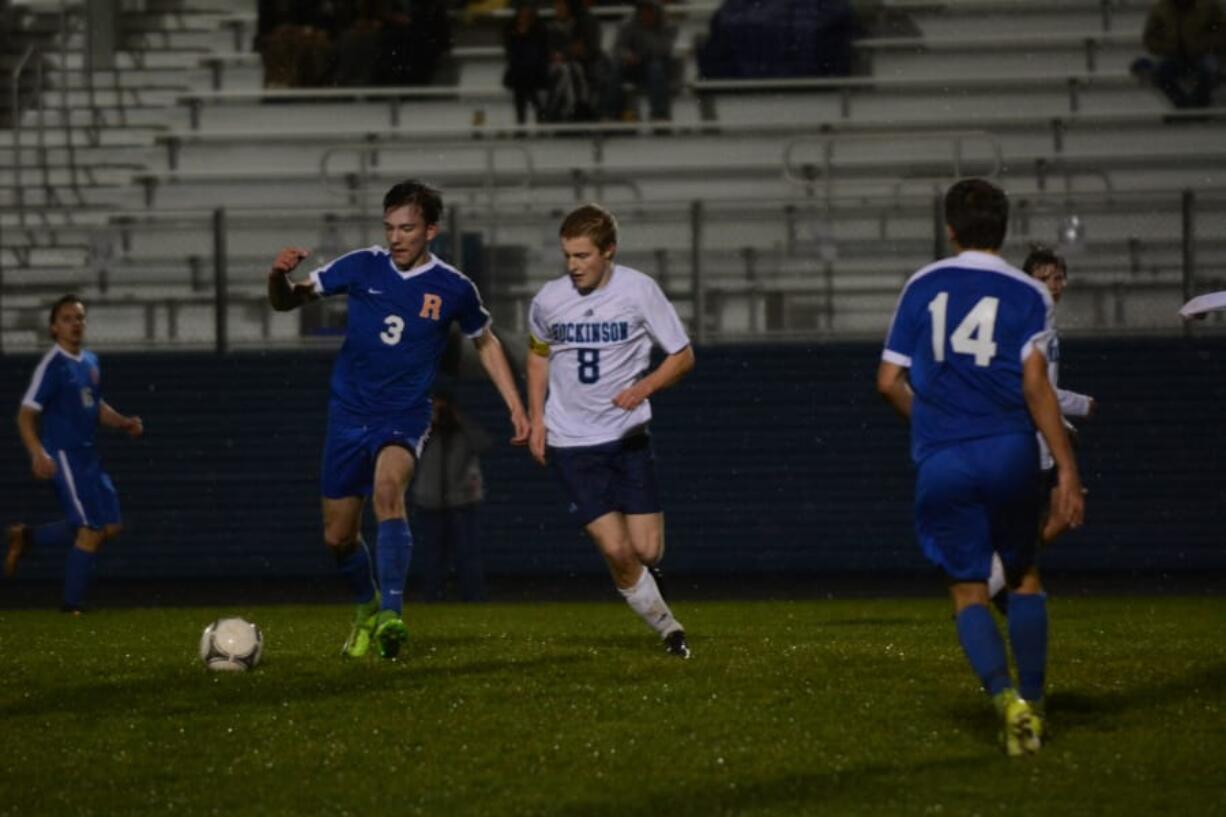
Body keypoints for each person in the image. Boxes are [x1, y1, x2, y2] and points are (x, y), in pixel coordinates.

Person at [266, 179, 529, 660]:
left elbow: (485, 339)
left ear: (431, 230)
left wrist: (514, 402)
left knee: (389, 492)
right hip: (348, 413)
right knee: (338, 537)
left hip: (404, 415)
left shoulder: (453, 287)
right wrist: (277, 277)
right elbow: (287, 301)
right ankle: (366, 608)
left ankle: (392, 615)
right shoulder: (361, 266)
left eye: (406, 228)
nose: (396, 238)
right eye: (389, 228)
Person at [876, 179, 1086, 756]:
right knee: (1023, 576)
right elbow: (1037, 387)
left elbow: (888, 382)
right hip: (1009, 450)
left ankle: (1006, 702)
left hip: (945, 455)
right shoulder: (1028, 294)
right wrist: (1066, 469)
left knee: (968, 590)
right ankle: (1038, 704)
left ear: (949, 228)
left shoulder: (923, 285)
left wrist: (933, 421)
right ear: (1005, 228)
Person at [526, 203, 695, 659]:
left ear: (609, 252)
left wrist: (644, 388)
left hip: (628, 440)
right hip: (571, 444)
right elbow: (539, 354)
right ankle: (670, 630)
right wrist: (536, 417)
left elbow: (682, 356)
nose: (573, 266)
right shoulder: (548, 300)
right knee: (618, 551)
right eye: (568, 256)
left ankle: (643, 582)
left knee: (648, 550)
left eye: (582, 256)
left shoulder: (640, 291)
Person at [5, 294, 144, 612]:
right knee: (91, 530)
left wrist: (124, 423)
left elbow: (95, 407)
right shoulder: (53, 366)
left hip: (88, 456)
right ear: (54, 328)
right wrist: (37, 452)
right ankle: (71, 607)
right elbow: (26, 414)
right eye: (67, 319)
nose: (75, 324)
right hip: (64, 456)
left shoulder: (91, 362)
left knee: (110, 526)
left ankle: (28, 537)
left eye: (79, 317)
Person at [988, 246, 1096, 606]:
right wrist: (1080, 405)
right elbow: (1037, 388)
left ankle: (1002, 576)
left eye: (1059, 277)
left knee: (1062, 514)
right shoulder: (1029, 321)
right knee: (1057, 513)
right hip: (1028, 437)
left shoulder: (1039, 319)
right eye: (1045, 278)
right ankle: (998, 578)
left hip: (1037, 432)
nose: (1055, 285)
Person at [411, 386, 491, 602]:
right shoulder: (424, 433)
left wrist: (458, 420)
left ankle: (473, 599)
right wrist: (429, 422)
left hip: (463, 501)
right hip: (430, 502)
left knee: (468, 556)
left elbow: (483, 444)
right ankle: (433, 598)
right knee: (432, 558)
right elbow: (410, 448)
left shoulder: (463, 432)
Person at [1135, 0, 1226, 109]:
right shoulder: (1161, 9)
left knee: (1208, 71)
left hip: (1203, 54)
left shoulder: (1209, 6)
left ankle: (1200, 103)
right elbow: (1150, 38)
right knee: (1160, 73)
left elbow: (1221, 30)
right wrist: (1166, 47)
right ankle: (1182, 104)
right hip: (1174, 56)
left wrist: (1206, 45)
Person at [607, 0, 678, 122]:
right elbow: (618, 48)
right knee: (615, 70)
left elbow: (664, 50)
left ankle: (659, 115)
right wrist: (627, 55)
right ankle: (609, 115)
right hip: (634, 66)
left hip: (660, 66)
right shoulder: (627, 24)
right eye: (642, 9)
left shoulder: (668, 26)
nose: (645, 14)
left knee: (656, 68)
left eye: (649, 10)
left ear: (656, 10)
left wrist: (642, 54)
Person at [502, 0, 552, 125]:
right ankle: (534, 114)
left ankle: (525, 119)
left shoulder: (540, 28)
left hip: (537, 69)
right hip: (519, 69)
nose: (524, 12)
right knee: (521, 78)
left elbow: (540, 53)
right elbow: (511, 52)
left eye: (527, 9)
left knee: (524, 78)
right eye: (522, 9)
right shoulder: (510, 27)